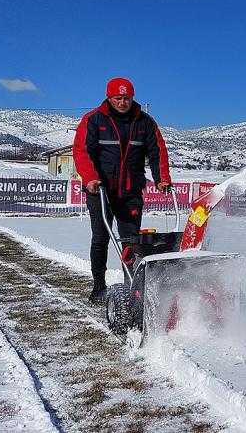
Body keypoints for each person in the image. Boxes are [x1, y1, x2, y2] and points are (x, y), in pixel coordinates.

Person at [73, 77, 172, 304]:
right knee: (101, 238)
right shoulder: (94, 120)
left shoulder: (144, 122)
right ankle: (99, 286)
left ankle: (132, 289)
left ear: (132, 97)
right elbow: (81, 152)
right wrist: (90, 179)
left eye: (127, 98)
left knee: (131, 241)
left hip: (130, 192)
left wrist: (162, 179)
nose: (122, 102)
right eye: (118, 98)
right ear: (109, 97)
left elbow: (157, 151)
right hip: (100, 191)